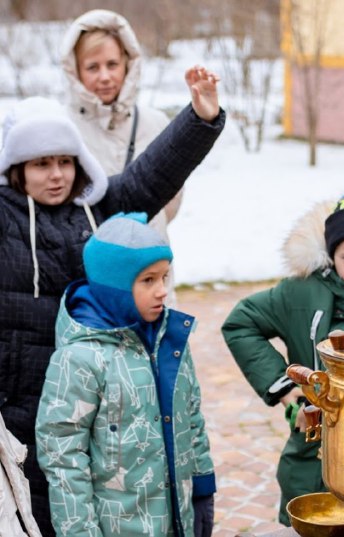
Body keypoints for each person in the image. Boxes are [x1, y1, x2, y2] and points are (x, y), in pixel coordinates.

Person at [0, 66, 223, 536]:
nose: (57, 175)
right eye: (41, 164)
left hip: (99, 396)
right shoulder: (5, 218)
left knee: (92, 503)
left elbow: (153, 173)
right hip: (19, 397)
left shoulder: (97, 207)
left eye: (65, 161)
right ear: (17, 169)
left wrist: (199, 118)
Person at [221, 179, 344, 525]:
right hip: (311, 457)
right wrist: (287, 392)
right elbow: (241, 324)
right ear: (331, 253)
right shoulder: (300, 293)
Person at [35, 212, 215, 537]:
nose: (162, 291)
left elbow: (191, 414)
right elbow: (62, 456)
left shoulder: (170, 341)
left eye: (164, 277)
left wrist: (202, 487)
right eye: (148, 280)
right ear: (115, 287)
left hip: (178, 517)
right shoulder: (79, 358)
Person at [61, 9, 181, 304]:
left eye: (112, 64)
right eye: (92, 67)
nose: (105, 76)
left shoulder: (154, 123)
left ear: (129, 64)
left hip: (152, 270)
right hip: (90, 275)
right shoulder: (61, 128)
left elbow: (172, 198)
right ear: (74, 70)